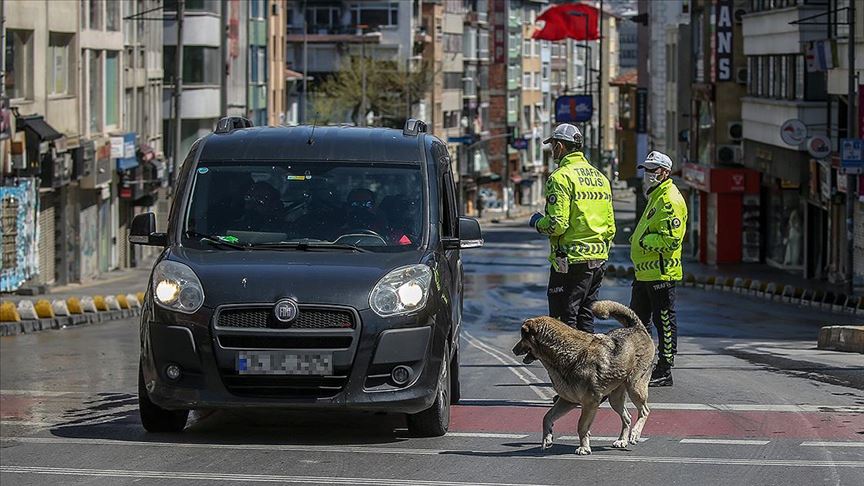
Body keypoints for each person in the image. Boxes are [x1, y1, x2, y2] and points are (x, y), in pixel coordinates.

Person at [529, 123, 616, 333]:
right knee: (585, 316)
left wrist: (537, 223)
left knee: (563, 321)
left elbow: (556, 225)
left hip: (569, 262)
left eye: (553, 147)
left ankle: (569, 365)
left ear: (560, 146)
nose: (552, 152)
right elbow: (611, 226)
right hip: (598, 261)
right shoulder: (600, 178)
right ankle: (589, 363)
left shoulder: (560, 177)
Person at [629, 151, 688, 387]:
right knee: (636, 321)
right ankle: (639, 365)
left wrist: (643, 242)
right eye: (646, 169)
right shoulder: (656, 196)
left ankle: (665, 369)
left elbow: (672, 240)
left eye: (652, 170)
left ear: (665, 172)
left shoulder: (669, 199)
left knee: (663, 321)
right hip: (644, 273)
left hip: (661, 272)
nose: (648, 174)